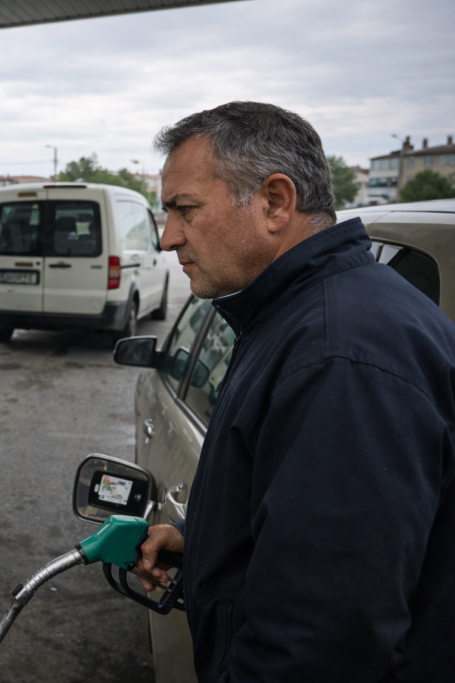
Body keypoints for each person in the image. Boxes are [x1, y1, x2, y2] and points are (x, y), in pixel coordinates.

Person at [137, 102, 455, 681]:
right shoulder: (302, 317)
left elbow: (319, 641)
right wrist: (199, 540)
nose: (167, 237)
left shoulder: (341, 358)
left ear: (275, 203)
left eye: (185, 209)